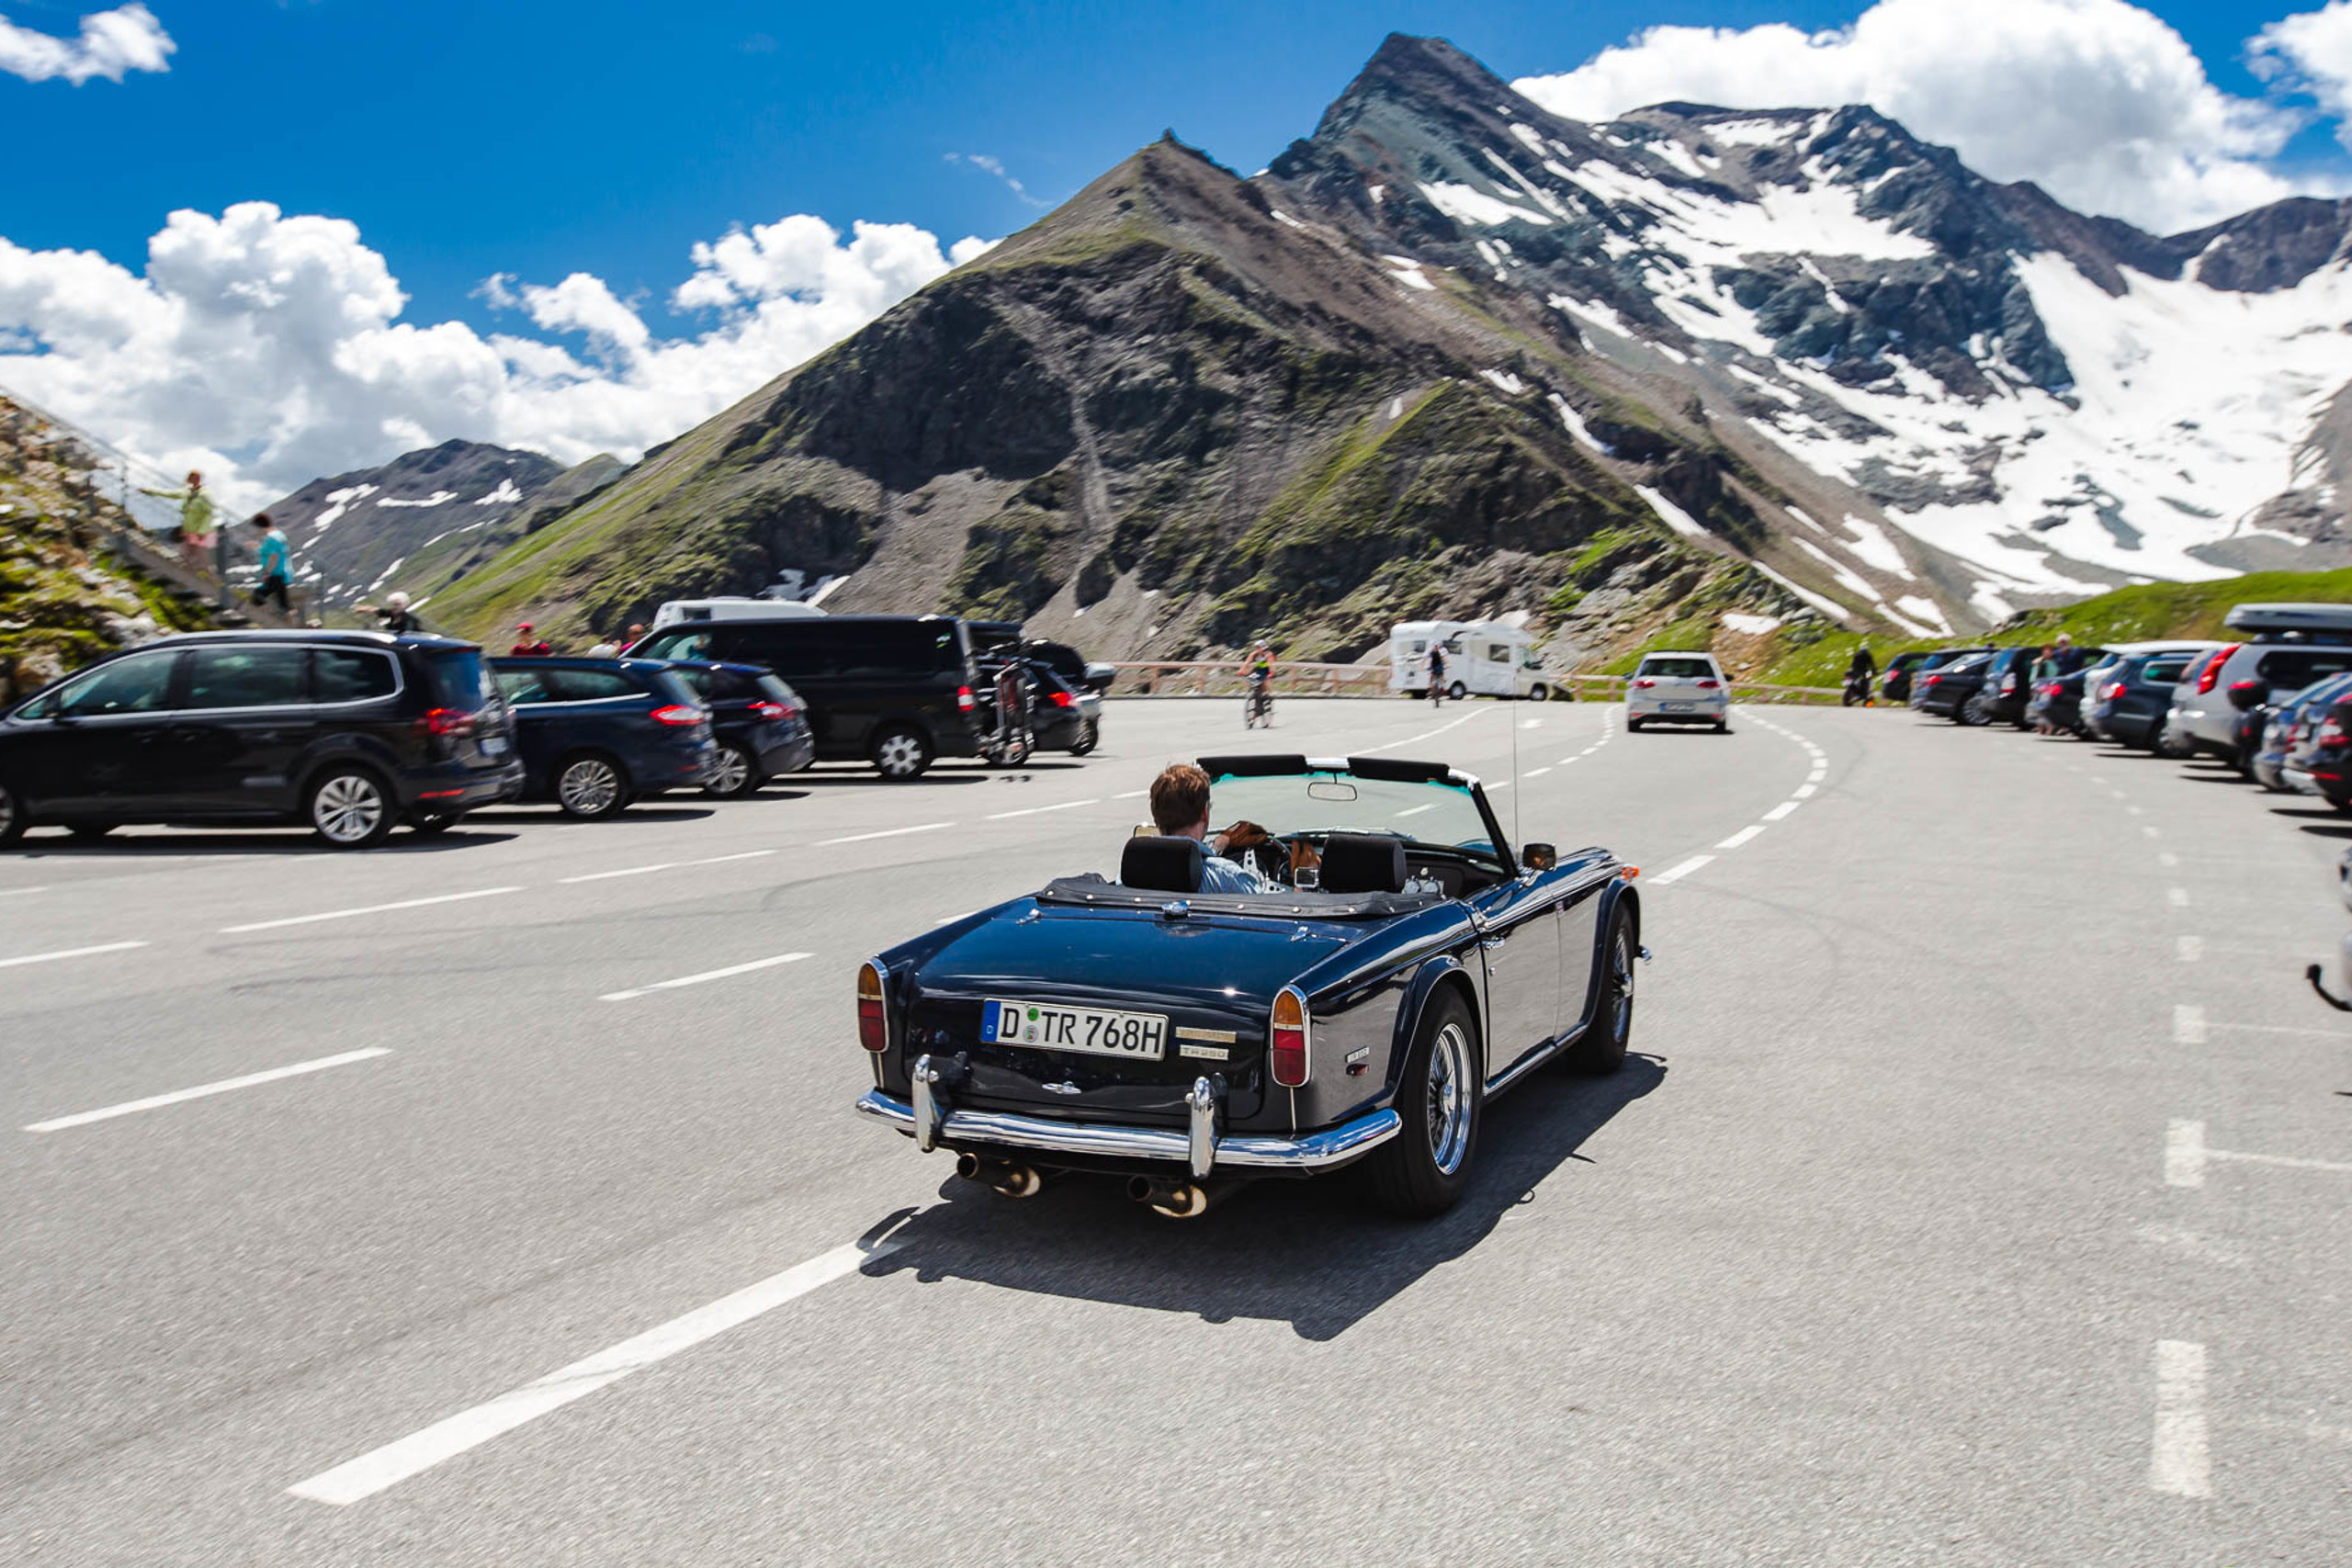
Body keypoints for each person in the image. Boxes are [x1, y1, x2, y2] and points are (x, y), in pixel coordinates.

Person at [1145, 763, 1276, 895]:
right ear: (1205, 813)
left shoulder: (1135, 873)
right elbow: (1270, 908)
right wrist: (1297, 889)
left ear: (1156, 815)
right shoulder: (1226, 876)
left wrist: (1216, 846)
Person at [141, 470, 215, 571]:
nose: (192, 481)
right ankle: (188, 583)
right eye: (190, 479)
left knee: (202, 561)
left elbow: (210, 514)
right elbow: (171, 494)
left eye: (195, 478)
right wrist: (150, 491)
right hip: (188, 529)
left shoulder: (205, 495)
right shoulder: (187, 491)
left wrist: (202, 531)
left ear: (199, 480)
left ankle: (210, 584)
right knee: (184, 557)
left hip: (202, 532)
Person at [248, 513, 292, 614]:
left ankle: (266, 620)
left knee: (258, 596)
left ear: (259, 526)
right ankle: (295, 625)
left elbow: (274, 557)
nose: (256, 531)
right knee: (283, 604)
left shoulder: (270, 538)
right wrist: (257, 547)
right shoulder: (278, 535)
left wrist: (267, 572)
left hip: (275, 574)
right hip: (282, 573)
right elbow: (271, 552)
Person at [1242, 637, 1275, 727]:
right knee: (1249, 678)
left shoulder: (1268, 654)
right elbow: (1247, 663)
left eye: (1259, 647)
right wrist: (1242, 671)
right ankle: (1251, 693)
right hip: (1258, 671)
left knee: (1266, 682)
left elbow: (1271, 664)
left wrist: (1272, 672)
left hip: (1266, 671)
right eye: (1256, 647)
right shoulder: (1254, 654)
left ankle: (1268, 696)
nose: (1258, 649)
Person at [1844, 643, 1876, 707]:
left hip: (1854, 672)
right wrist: (1874, 671)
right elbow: (1872, 665)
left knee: (1866, 679)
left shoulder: (1856, 655)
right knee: (1868, 680)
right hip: (1864, 672)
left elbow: (1852, 664)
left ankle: (1862, 694)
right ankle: (1866, 694)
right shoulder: (1868, 655)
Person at [1427, 640, 1448, 705]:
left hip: (1439, 666)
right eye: (1434, 646)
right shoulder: (1431, 653)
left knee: (1442, 675)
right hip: (1433, 666)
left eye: (1436, 646)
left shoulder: (1440, 652)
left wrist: (1446, 664)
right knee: (1431, 676)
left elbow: (1443, 659)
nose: (1435, 648)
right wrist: (1427, 666)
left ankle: (1444, 687)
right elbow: (1429, 659)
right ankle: (1430, 687)